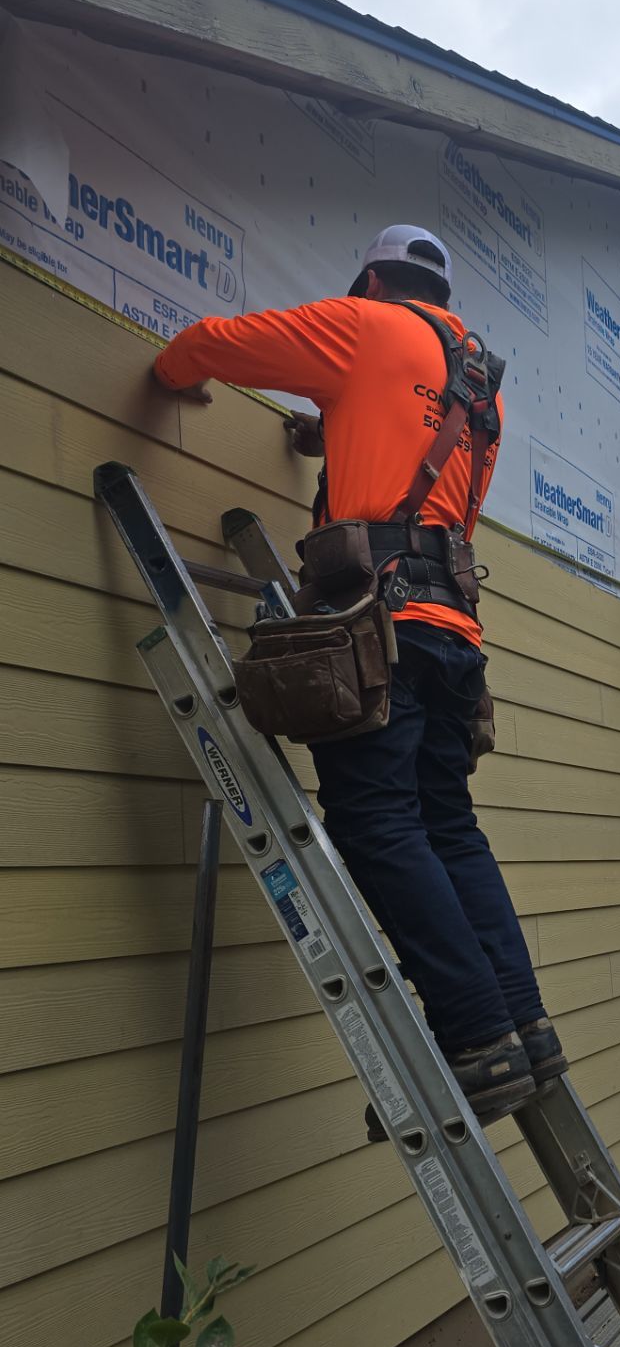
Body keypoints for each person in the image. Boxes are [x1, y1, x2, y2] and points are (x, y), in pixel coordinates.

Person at [150, 224, 564, 1136]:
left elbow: (201, 349)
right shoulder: (479, 380)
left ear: (373, 278)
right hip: (453, 627)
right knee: (448, 826)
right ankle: (520, 1029)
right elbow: (411, 462)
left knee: (378, 823)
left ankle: (472, 1035)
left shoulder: (367, 324)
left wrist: (172, 384)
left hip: (381, 622)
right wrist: (329, 425)